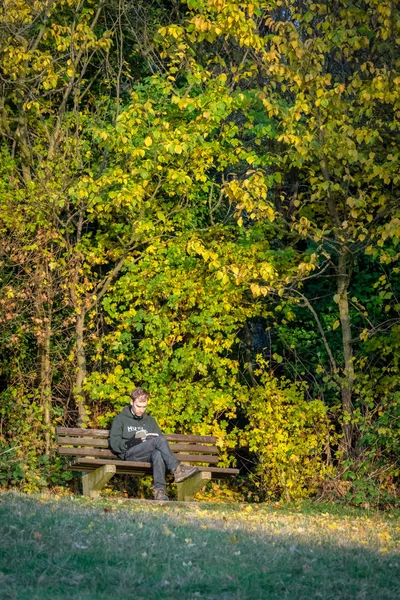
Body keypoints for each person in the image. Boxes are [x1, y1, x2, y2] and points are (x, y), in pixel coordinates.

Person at [109, 387, 199, 501]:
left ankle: (160, 492)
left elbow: (159, 441)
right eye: (138, 406)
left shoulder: (150, 420)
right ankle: (177, 469)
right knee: (159, 441)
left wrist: (148, 439)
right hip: (130, 454)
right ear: (131, 402)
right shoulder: (120, 419)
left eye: (144, 407)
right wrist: (132, 441)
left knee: (158, 453)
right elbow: (115, 444)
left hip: (147, 455)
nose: (141, 410)